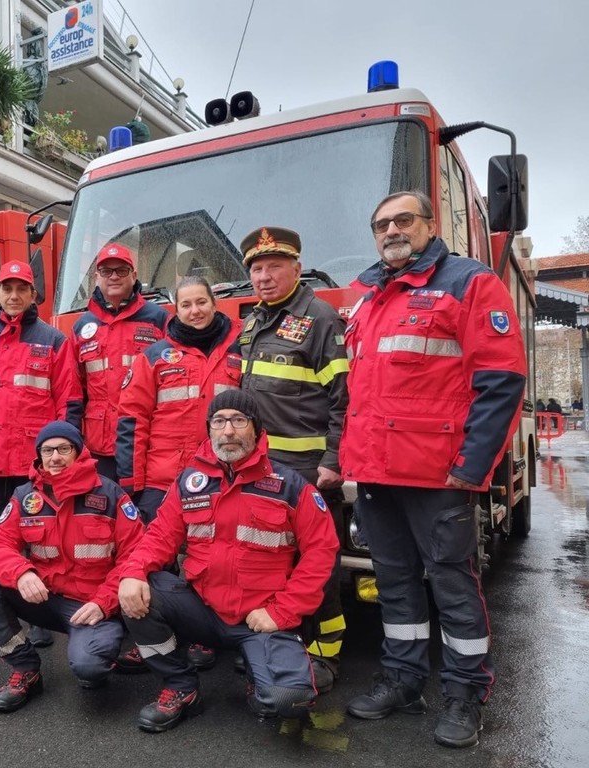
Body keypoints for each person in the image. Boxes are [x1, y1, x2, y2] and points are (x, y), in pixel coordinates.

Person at [340, 191, 526, 748]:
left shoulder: (469, 284)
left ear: (428, 224)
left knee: (451, 582)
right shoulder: (368, 297)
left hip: (438, 475)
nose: (392, 230)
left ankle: (466, 693)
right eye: (381, 224)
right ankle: (403, 679)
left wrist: (473, 468)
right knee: (394, 583)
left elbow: (502, 381)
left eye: (403, 220)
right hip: (377, 474)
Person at [116, 390, 339, 733]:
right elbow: (159, 536)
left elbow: (321, 554)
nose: (228, 431)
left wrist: (282, 612)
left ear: (256, 428)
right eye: (219, 422)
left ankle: (258, 674)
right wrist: (133, 572)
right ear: (209, 429)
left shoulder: (290, 486)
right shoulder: (191, 483)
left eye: (238, 420)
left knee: (288, 700)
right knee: (139, 593)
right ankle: (181, 688)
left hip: (260, 616)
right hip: (202, 610)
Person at [0, 259, 84, 645]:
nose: (13, 295)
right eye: (7, 288)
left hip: (34, 465)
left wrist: (62, 457)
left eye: (21, 288)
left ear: (32, 295)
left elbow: (68, 403)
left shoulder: (53, 341)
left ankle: (39, 615)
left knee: (39, 538)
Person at [238, 226, 349, 693]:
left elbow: (345, 397)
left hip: (308, 473)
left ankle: (325, 654)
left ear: (297, 269)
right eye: (257, 269)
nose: (264, 277)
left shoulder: (320, 317)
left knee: (317, 563)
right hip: (263, 467)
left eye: (274, 267)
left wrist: (333, 459)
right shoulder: (254, 321)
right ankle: (283, 641)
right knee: (273, 559)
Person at [0, 421, 144, 712]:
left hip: (93, 606)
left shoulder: (110, 495)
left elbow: (135, 555)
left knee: (90, 669)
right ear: (39, 456)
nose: (55, 457)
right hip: (45, 600)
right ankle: (25, 670)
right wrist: (21, 572)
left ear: (79, 453)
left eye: (64, 449)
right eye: (48, 450)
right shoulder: (26, 496)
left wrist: (105, 602)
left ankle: (100, 652)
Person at [116, 275, 242, 670]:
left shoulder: (240, 351)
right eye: (186, 304)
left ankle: (205, 634)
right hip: (162, 477)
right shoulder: (154, 356)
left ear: (214, 301)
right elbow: (132, 420)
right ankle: (155, 633)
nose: (195, 311)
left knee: (213, 557)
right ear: (175, 309)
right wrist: (132, 485)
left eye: (201, 302)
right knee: (155, 561)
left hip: (222, 477)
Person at [72, 243, 169, 480]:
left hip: (144, 440)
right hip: (98, 444)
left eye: (121, 270)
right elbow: (74, 389)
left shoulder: (159, 320)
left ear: (134, 275)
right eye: (106, 271)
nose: (113, 276)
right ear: (96, 277)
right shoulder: (82, 326)